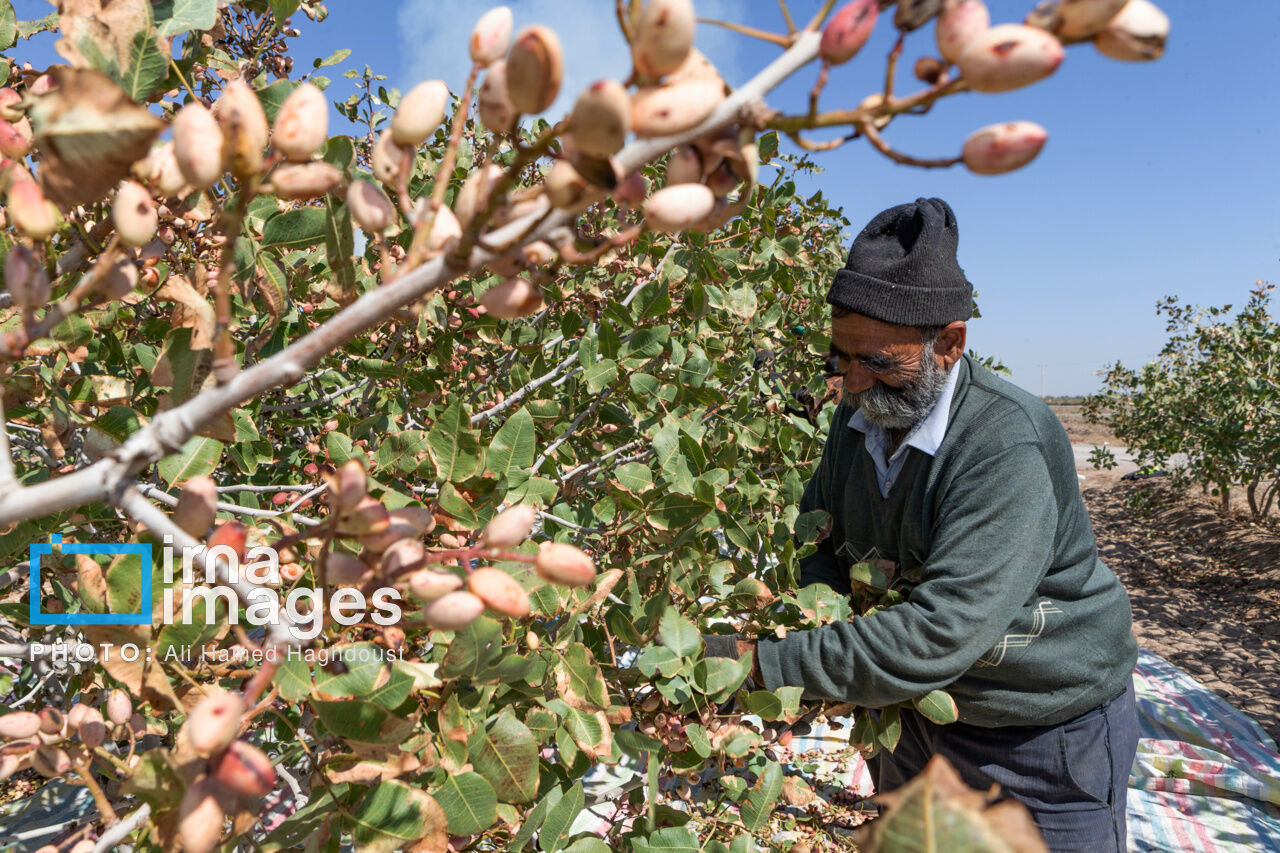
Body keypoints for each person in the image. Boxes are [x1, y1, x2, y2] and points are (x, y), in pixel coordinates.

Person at [708, 198, 1140, 852]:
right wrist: (808, 648)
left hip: (1038, 734)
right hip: (912, 715)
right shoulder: (860, 418)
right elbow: (819, 543)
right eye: (840, 357)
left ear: (950, 343)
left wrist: (762, 666)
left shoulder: (1003, 442)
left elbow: (940, 632)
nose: (853, 381)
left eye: (879, 362)